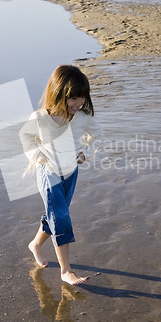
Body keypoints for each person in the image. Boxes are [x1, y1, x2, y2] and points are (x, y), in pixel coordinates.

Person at [19, 65, 103, 285]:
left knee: (56, 214)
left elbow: (98, 135)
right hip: (48, 172)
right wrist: (37, 155)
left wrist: (86, 154)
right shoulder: (40, 118)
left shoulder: (83, 117)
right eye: (73, 99)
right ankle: (66, 270)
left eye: (82, 98)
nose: (78, 103)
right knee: (61, 217)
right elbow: (25, 135)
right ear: (58, 93)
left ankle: (36, 244)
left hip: (71, 172)